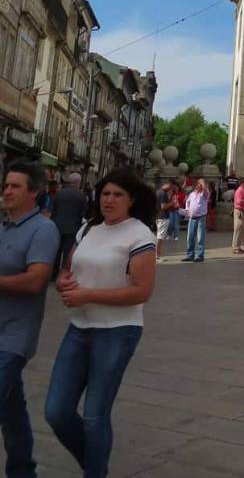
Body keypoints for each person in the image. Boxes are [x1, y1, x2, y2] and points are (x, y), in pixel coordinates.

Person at [45, 168, 157, 478]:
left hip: (118, 332)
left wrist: (88, 295)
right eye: (105, 193)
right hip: (78, 328)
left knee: (95, 415)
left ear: (131, 200)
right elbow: (69, 269)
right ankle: (96, 465)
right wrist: (63, 282)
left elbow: (142, 291)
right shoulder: (86, 230)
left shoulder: (139, 235)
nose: (109, 200)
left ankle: (94, 472)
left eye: (117, 194)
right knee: (56, 411)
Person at [0, 162, 60, 477]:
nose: (7, 191)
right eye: (6, 185)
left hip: (13, 337)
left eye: (15, 186)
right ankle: (23, 470)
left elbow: (36, 281)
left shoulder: (43, 230)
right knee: (12, 409)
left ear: (34, 193)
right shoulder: (3, 226)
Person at [50, 172, 89, 279]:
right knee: (68, 253)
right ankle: (63, 274)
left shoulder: (59, 193)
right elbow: (83, 213)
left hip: (57, 226)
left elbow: (53, 210)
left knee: (56, 251)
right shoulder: (81, 196)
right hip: (73, 228)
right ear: (78, 182)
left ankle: (52, 274)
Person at [182, 178, 209, 262]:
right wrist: (187, 210)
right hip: (192, 218)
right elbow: (187, 202)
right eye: (198, 184)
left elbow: (204, 188)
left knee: (200, 237)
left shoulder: (205, 194)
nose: (199, 186)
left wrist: (202, 181)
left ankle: (200, 255)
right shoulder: (192, 194)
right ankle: (190, 255)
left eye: (201, 185)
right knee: (190, 237)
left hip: (201, 217)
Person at [155, 180, 173, 260]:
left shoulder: (158, 192)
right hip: (163, 217)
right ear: (166, 184)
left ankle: (157, 254)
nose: (170, 188)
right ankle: (157, 255)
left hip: (159, 216)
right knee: (160, 237)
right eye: (170, 186)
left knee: (160, 236)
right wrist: (172, 203)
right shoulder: (163, 193)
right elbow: (163, 206)